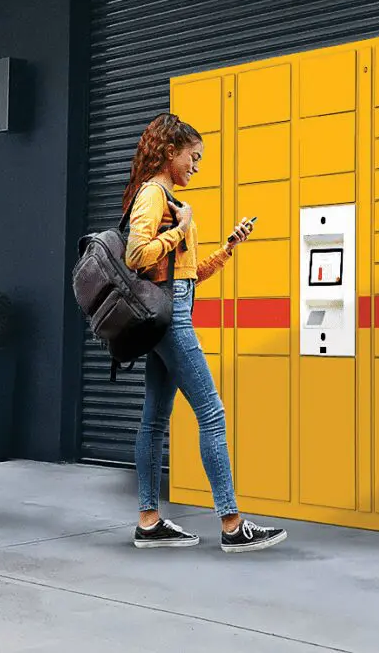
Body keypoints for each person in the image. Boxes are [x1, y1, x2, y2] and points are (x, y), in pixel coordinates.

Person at [122, 112, 286, 553]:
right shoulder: (155, 195)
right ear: (170, 152)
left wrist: (227, 249)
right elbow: (138, 255)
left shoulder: (165, 197)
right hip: (170, 316)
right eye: (193, 157)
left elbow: (184, 274)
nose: (196, 166)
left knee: (154, 421)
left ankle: (149, 520)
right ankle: (232, 525)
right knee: (211, 414)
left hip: (169, 307)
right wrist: (180, 228)